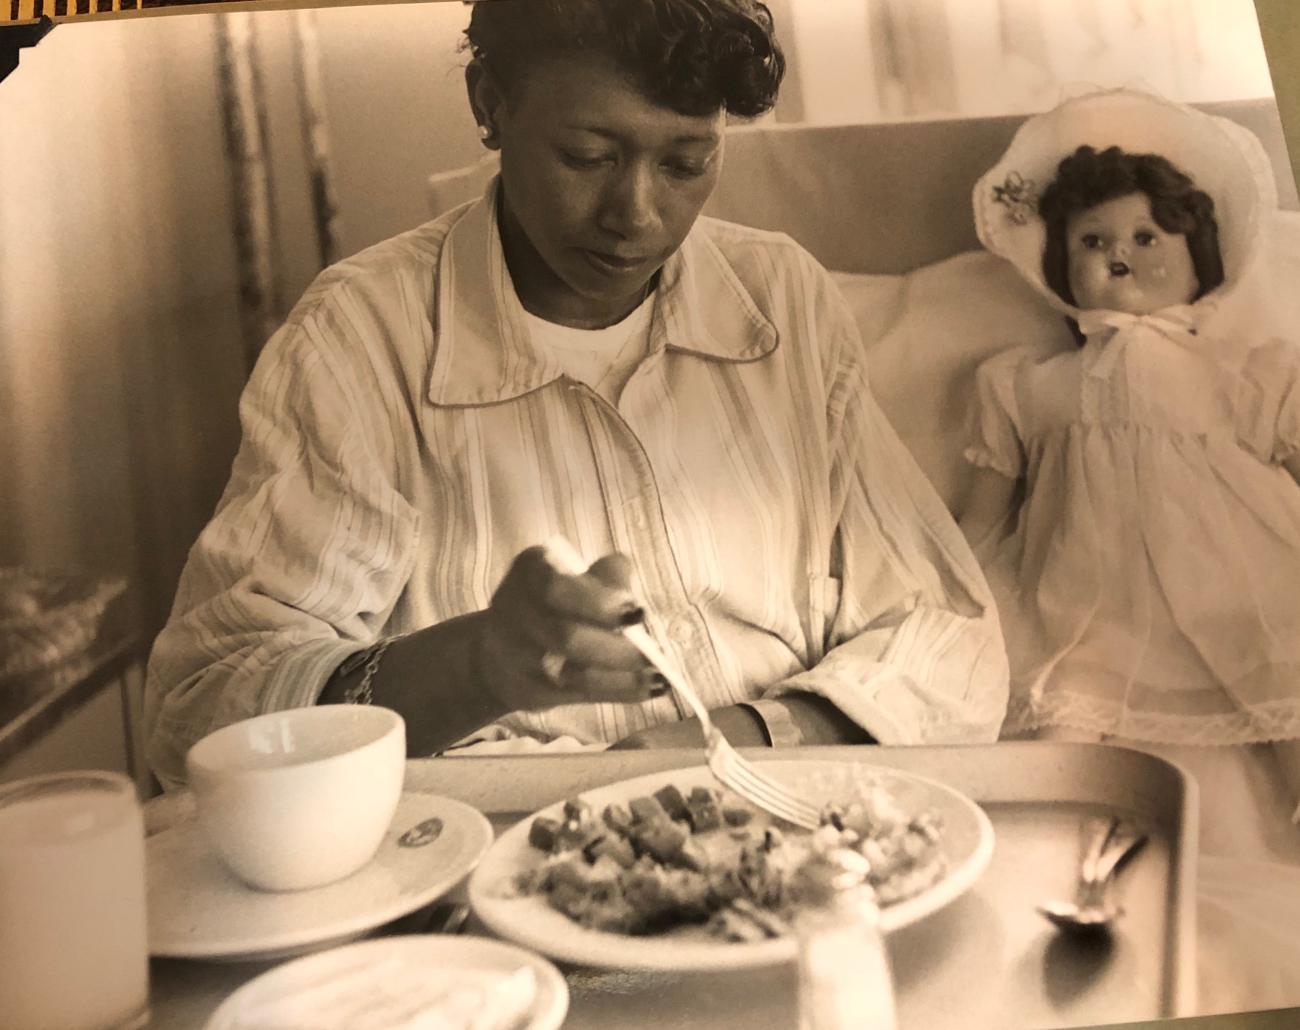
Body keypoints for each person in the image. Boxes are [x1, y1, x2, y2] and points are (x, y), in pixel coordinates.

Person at [143, 0, 1007, 792]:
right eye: (588, 157)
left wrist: (748, 739)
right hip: (492, 865)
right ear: (491, 103)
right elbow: (200, 712)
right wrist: (479, 663)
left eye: (686, 162)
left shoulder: (782, 298)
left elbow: (952, 636)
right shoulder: (360, 341)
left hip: (791, 809)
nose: (635, 215)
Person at [960, 88, 1300, 1014]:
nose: (1121, 254)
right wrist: (956, 599)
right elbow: (975, 523)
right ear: (1061, 275)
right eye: (1094, 243)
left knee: (1283, 685)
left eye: (1150, 237)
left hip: (1244, 573)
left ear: (1203, 255)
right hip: (1087, 595)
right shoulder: (1031, 385)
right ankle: (1081, 886)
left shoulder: (1243, 374)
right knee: (1066, 726)